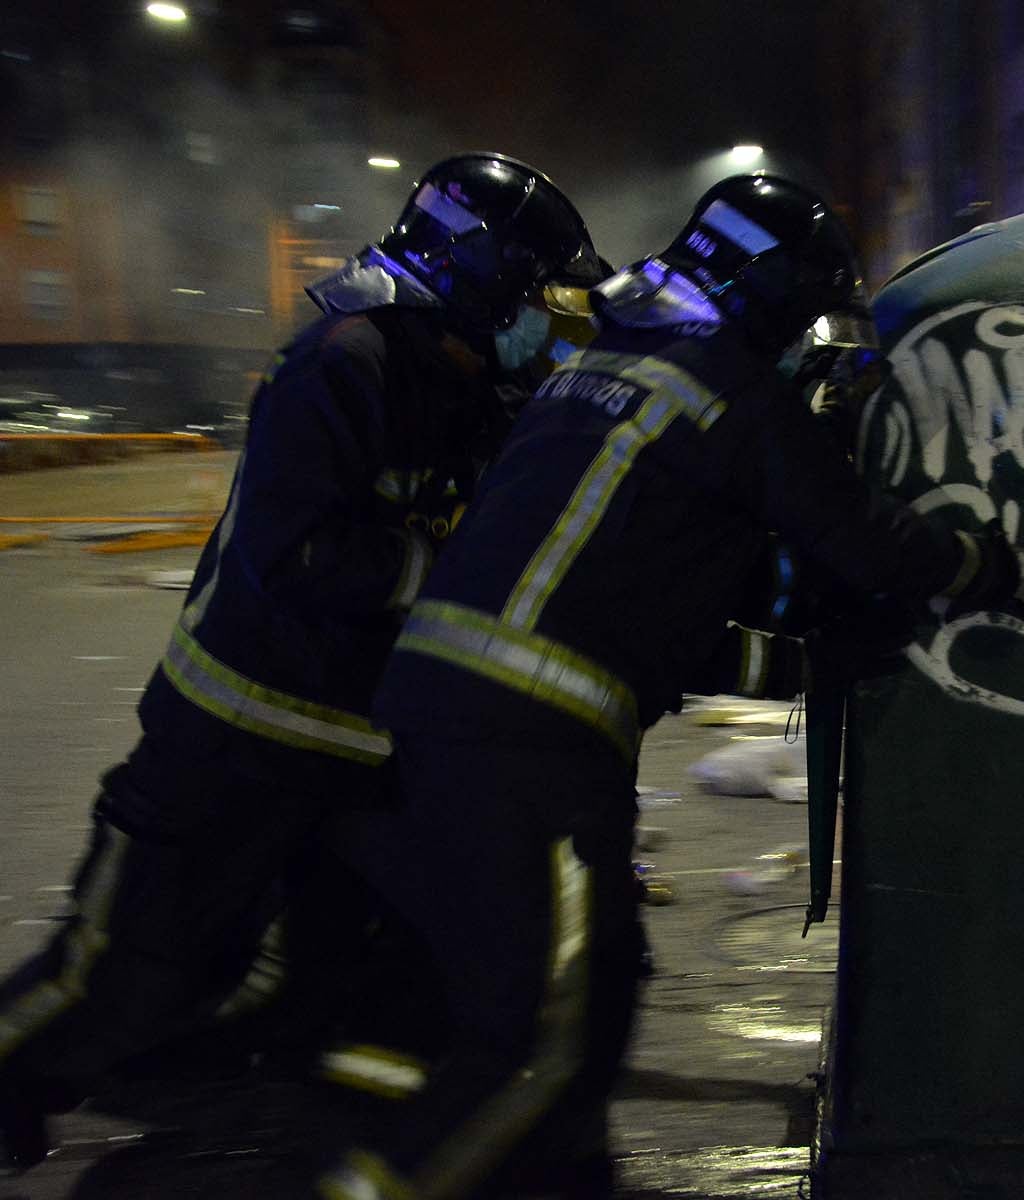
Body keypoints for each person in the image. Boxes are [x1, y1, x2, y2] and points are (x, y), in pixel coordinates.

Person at [314, 174, 1024, 1199]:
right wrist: (995, 569)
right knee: (546, 1042)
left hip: (436, 724)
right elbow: (864, 544)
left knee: (595, 989)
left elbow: (651, 620)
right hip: (525, 753)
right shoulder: (730, 390)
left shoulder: (602, 368)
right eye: (803, 316)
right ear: (766, 296)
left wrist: (813, 665)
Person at [0, 152, 607, 1173]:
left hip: (355, 756)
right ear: (477, 267)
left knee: (328, 986)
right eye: (537, 286)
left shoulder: (466, 375)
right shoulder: (343, 359)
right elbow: (299, 557)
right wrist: (459, 571)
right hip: (235, 739)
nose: (546, 313)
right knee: (117, 976)